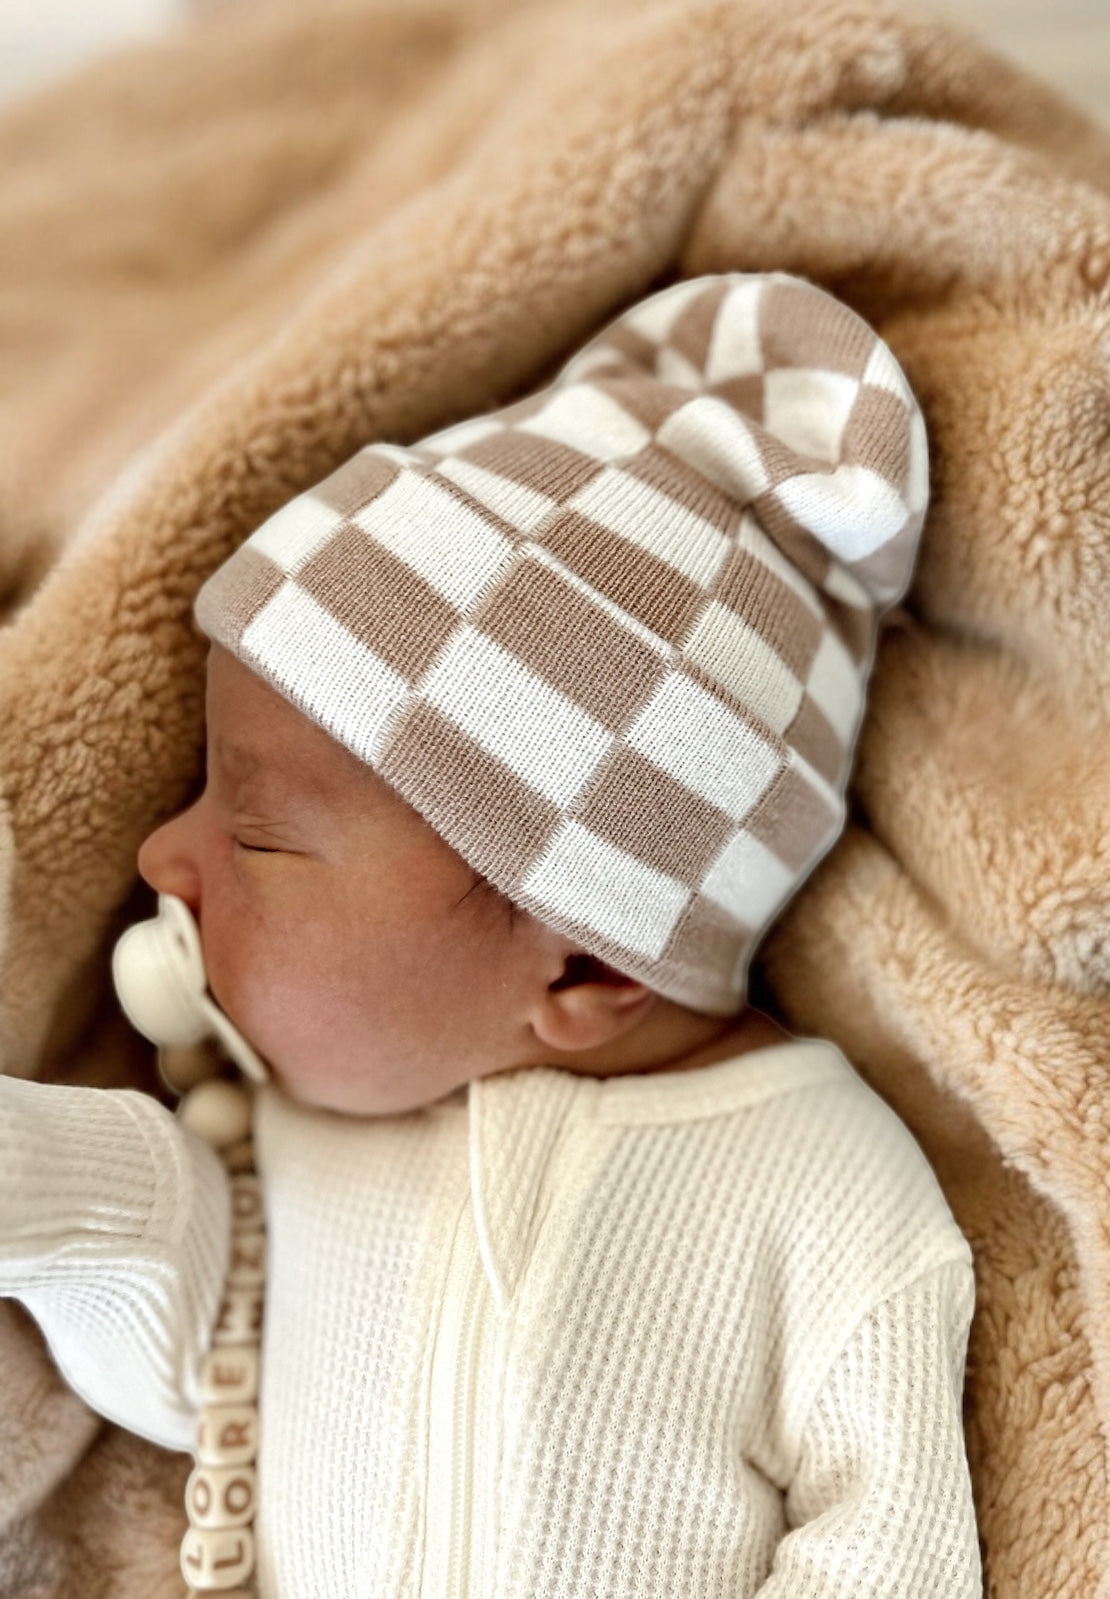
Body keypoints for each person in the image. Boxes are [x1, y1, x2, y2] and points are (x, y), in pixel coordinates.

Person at [0, 272, 981, 1597]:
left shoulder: (819, 1191)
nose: (161, 856)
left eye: (261, 828)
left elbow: (893, 1548)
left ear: (583, 965)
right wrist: (62, 1181)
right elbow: (200, 1381)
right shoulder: (309, 1138)